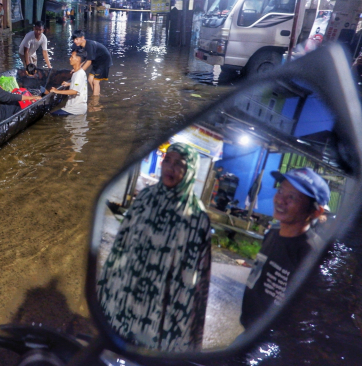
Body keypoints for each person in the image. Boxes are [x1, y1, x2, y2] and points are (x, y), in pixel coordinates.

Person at [97, 143, 212, 351]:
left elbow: (199, 280)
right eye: (167, 160)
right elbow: (119, 247)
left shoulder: (197, 218)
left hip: (163, 315)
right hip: (127, 300)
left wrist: (190, 328)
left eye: (179, 164)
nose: (170, 167)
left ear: (191, 171)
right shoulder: (145, 199)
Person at [240, 167, 329, 329]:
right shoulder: (272, 234)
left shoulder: (313, 254)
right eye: (280, 191)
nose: (280, 200)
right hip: (249, 330)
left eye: (292, 197)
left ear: (316, 212)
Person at [71, 30, 113, 96]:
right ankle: (97, 94)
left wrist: (79, 71)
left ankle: (95, 102)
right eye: (74, 39)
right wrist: (77, 68)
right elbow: (85, 58)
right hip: (97, 61)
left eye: (77, 39)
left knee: (95, 81)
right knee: (90, 80)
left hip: (103, 62)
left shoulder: (89, 45)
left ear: (82, 38)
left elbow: (89, 61)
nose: (75, 41)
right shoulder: (82, 45)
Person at [49, 49, 88, 116]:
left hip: (74, 109)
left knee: (50, 116)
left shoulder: (78, 74)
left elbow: (74, 91)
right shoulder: (80, 72)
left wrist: (57, 91)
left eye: (72, 57)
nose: (70, 59)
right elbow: (80, 85)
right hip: (80, 108)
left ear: (78, 59)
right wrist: (69, 84)